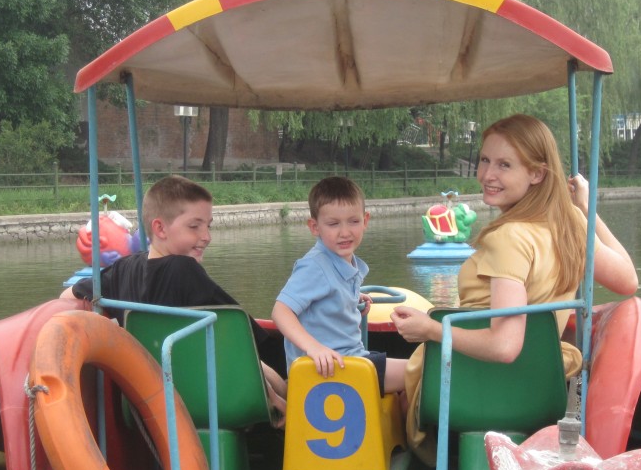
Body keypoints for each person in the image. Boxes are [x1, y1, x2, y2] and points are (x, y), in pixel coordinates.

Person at [389, 114, 638, 458]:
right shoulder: (569, 224)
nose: (489, 175)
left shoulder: (509, 237)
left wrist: (431, 329)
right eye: (485, 160)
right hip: (541, 384)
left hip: (490, 383)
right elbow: (628, 279)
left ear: (536, 173)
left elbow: (505, 346)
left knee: (366, 374)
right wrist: (584, 208)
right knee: (391, 374)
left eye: (505, 165)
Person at [63, 175, 287, 420]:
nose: (206, 236)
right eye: (194, 226)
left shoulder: (123, 268)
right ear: (160, 228)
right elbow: (235, 339)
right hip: (214, 394)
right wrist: (275, 392)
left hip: (142, 398)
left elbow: (68, 295)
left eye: (208, 226)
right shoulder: (184, 270)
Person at [271, 176, 407, 397]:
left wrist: (353, 298)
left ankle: (397, 430)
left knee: (414, 373)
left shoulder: (340, 261)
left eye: (353, 221)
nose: (345, 232)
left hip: (350, 359)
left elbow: (327, 293)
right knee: (421, 370)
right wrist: (313, 348)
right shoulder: (315, 265)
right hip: (331, 368)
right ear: (314, 227)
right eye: (333, 224)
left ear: (365, 221)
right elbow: (280, 311)